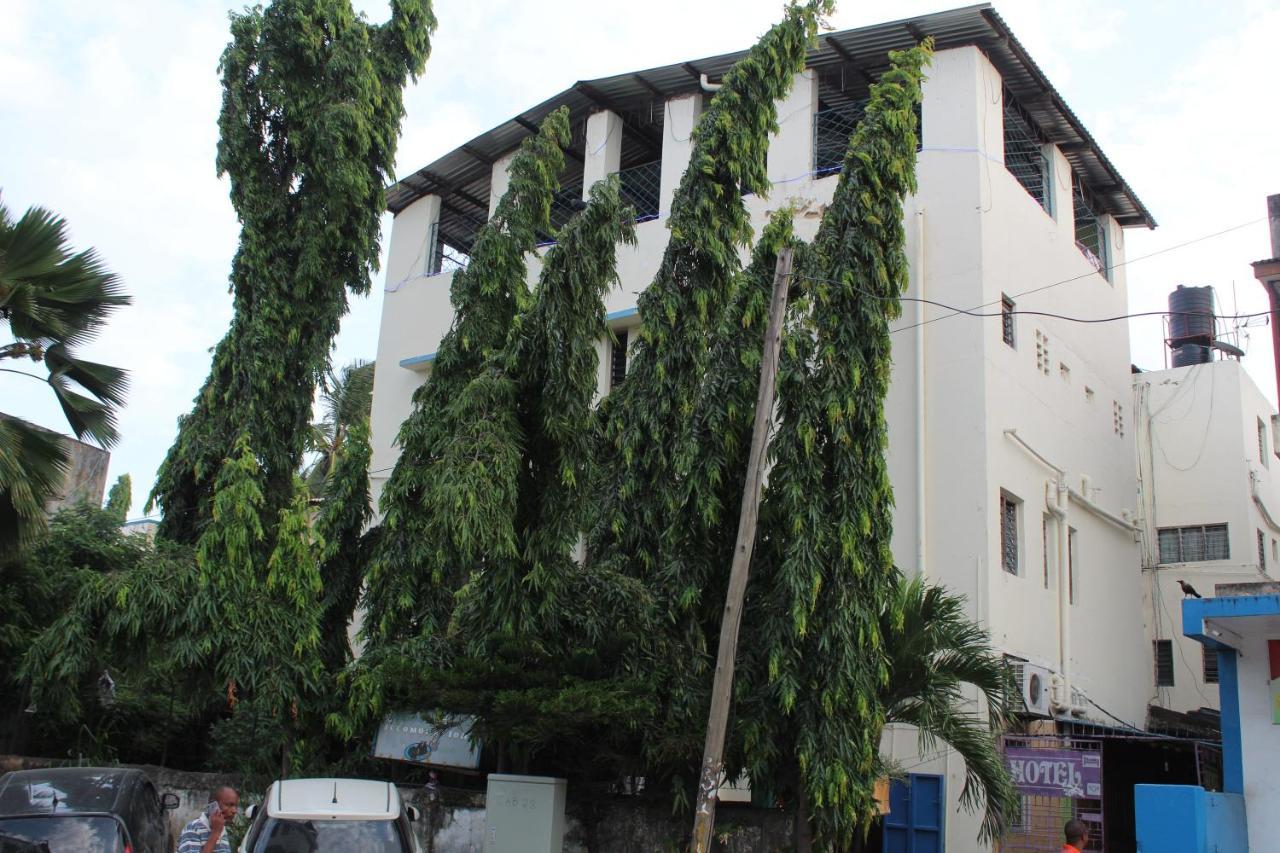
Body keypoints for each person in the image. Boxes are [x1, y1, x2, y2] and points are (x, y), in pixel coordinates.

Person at [177, 786, 239, 853]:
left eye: (236, 806)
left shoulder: (223, 830)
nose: (234, 811)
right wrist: (215, 833)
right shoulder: (193, 828)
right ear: (213, 805)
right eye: (229, 805)